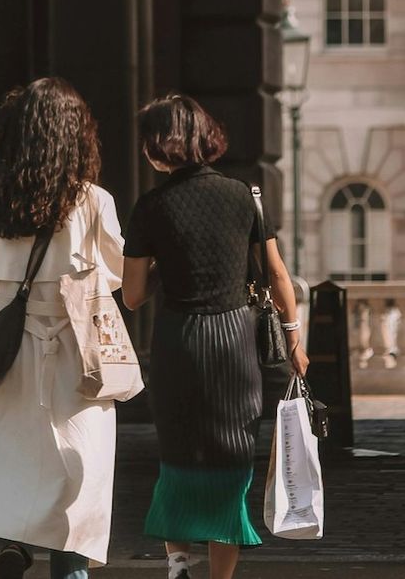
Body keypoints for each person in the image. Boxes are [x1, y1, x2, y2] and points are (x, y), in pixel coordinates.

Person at [0, 77, 126, 579]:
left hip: (6, 360)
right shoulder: (94, 202)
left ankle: (14, 547)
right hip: (74, 361)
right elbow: (115, 278)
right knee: (74, 481)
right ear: (76, 136)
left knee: (14, 465)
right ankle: (67, 570)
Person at [121, 94, 308, 579]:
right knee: (230, 458)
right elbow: (277, 275)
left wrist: (167, 262)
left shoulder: (151, 207)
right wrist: (293, 340)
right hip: (234, 340)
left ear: (159, 145)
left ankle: (178, 559)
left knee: (178, 453)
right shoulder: (242, 195)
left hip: (179, 341)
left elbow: (133, 295)